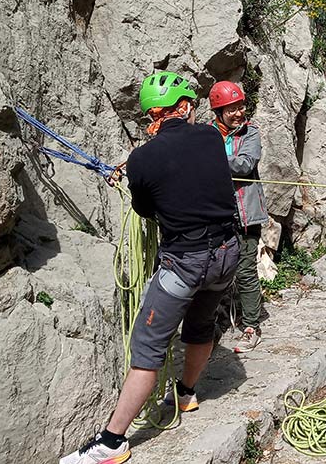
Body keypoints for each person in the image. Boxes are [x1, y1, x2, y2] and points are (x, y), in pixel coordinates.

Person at [60, 72, 240, 463]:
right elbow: (190, 162)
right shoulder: (212, 137)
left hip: (185, 262)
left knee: (147, 347)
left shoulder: (142, 159)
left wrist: (133, 169)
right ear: (185, 107)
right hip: (226, 255)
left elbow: (144, 209)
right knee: (201, 325)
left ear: (152, 116)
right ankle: (186, 393)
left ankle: (112, 442)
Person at [209, 80, 270, 353]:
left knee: (245, 271)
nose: (238, 113)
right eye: (231, 109)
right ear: (219, 112)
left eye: (240, 107)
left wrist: (208, 160)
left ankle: (251, 327)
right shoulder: (207, 135)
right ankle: (211, 326)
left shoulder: (250, 133)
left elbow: (245, 164)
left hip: (246, 215)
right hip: (217, 215)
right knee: (214, 272)